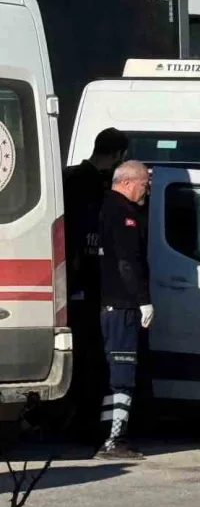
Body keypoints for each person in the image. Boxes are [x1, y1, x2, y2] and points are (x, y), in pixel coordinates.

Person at [61, 128, 129, 439]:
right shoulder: (87, 183)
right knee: (91, 358)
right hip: (86, 284)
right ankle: (80, 423)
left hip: (79, 282)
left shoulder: (70, 178)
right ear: (117, 155)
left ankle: (75, 420)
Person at [97, 160, 153, 460]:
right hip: (122, 305)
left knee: (112, 373)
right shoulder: (124, 214)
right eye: (145, 184)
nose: (146, 190)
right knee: (122, 373)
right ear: (129, 182)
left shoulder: (105, 207)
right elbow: (128, 261)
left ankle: (108, 435)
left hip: (108, 304)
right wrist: (142, 299)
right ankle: (114, 439)